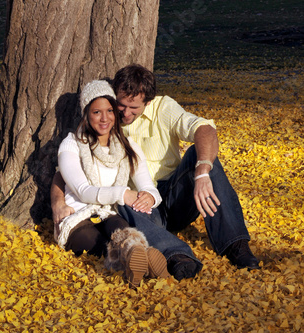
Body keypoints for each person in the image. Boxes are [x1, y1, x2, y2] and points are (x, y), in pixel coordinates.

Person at [52, 64, 260, 280]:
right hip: (135, 206)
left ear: (148, 102)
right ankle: (177, 257)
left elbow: (204, 129)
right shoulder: (101, 125)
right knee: (124, 206)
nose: (124, 113)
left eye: (133, 108)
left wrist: (202, 172)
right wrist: (57, 202)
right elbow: (68, 169)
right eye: (120, 105)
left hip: (172, 196)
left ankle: (236, 246)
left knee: (205, 160)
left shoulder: (162, 109)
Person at [55, 79, 170, 286]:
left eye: (109, 110)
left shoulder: (127, 146)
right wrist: (123, 194)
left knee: (120, 228)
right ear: (86, 113)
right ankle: (140, 262)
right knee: (97, 242)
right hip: (78, 216)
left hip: (110, 213)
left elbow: (148, 186)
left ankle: (139, 259)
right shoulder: (71, 144)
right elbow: (82, 191)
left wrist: (150, 196)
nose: (104, 118)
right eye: (96, 112)